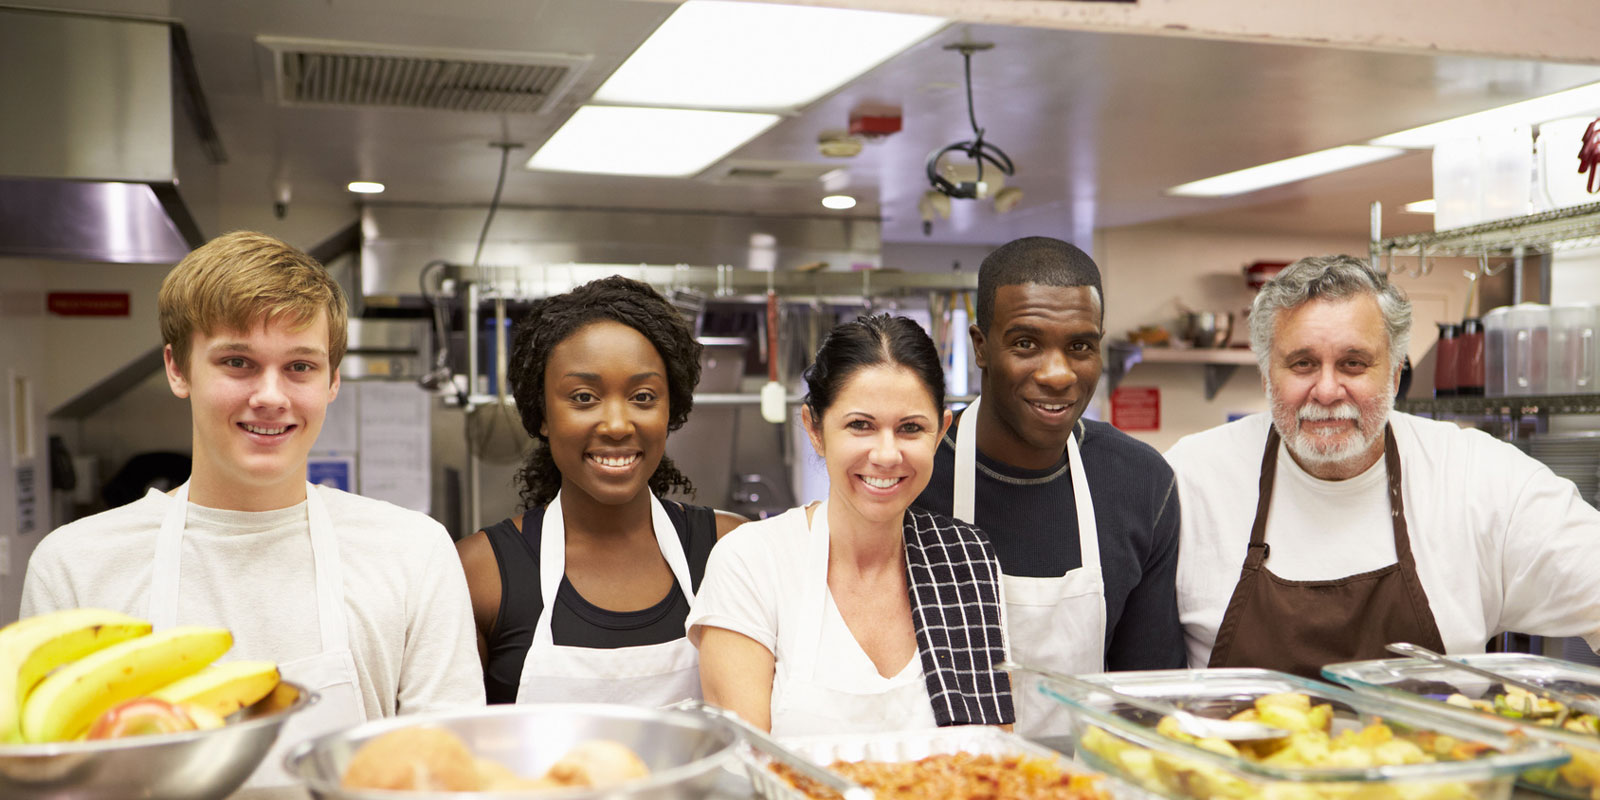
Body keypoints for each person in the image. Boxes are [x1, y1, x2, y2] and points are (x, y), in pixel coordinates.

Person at [19, 231, 483, 784]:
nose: (270, 395)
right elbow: (53, 781)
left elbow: (446, 776)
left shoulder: (412, 551)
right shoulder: (77, 564)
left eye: (300, 367)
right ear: (178, 369)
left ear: (333, 379)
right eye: (237, 362)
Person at [1166, 254, 1600, 678]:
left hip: (1434, 750)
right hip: (1235, 749)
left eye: (1354, 363)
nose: (1328, 389)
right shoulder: (1189, 481)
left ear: (1394, 375)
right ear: (1266, 376)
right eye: (1303, 364)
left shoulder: (1478, 479)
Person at [691, 314, 1013, 736]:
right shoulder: (752, 561)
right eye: (860, 425)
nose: (886, 454)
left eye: (911, 428)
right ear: (815, 428)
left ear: (940, 434)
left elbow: (995, 754)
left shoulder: (965, 559)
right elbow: (747, 762)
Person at [914, 236, 1184, 738]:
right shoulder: (915, 478)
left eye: (1080, 346)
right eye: (1026, 344)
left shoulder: (1141, 483)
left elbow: (1147, 697)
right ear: (980, 347)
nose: (1058, 374)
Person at [455, 276, 746, 706]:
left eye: (643, 396)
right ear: (542, 414)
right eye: (584, 397)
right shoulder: (479, 574)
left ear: (671, 409)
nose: (616, 424)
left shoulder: (731, 550)